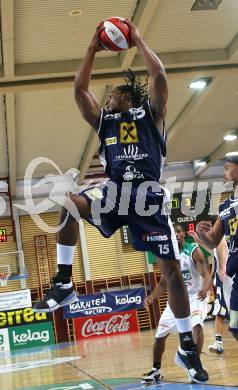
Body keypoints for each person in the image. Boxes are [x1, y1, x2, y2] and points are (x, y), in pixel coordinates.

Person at [33, 20, 208, 382]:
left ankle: (187, 348)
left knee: (172, 273)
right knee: (69, 204)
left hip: (147, 194)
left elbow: (158, 75)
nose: (107, 98)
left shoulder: (151, 115)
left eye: (111, 94)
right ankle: (64, 282)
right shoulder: (104, 123)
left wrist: (138, 38)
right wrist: (91, 48)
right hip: (114, 190)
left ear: (127, 97)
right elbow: (79, 89)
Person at [142, 224, 211, 384]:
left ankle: (194, 367)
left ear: (183, 234)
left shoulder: (193, 250)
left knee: (197, 328)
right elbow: (162, 284)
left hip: (195, 297)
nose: (176, 234)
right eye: (173, 232)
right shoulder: (167, 255)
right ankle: (156, 370)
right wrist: (151, 297)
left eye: (178, 231)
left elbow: (206, 273)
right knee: (159, 336)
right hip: (176, 299)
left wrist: (206, 286)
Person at [196, 157, 238, 341]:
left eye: (228, 168)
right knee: (235, 327)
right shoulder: (225, 206)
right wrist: (200, 231)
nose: (224, 173)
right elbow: (213, 241)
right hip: (236, 274)